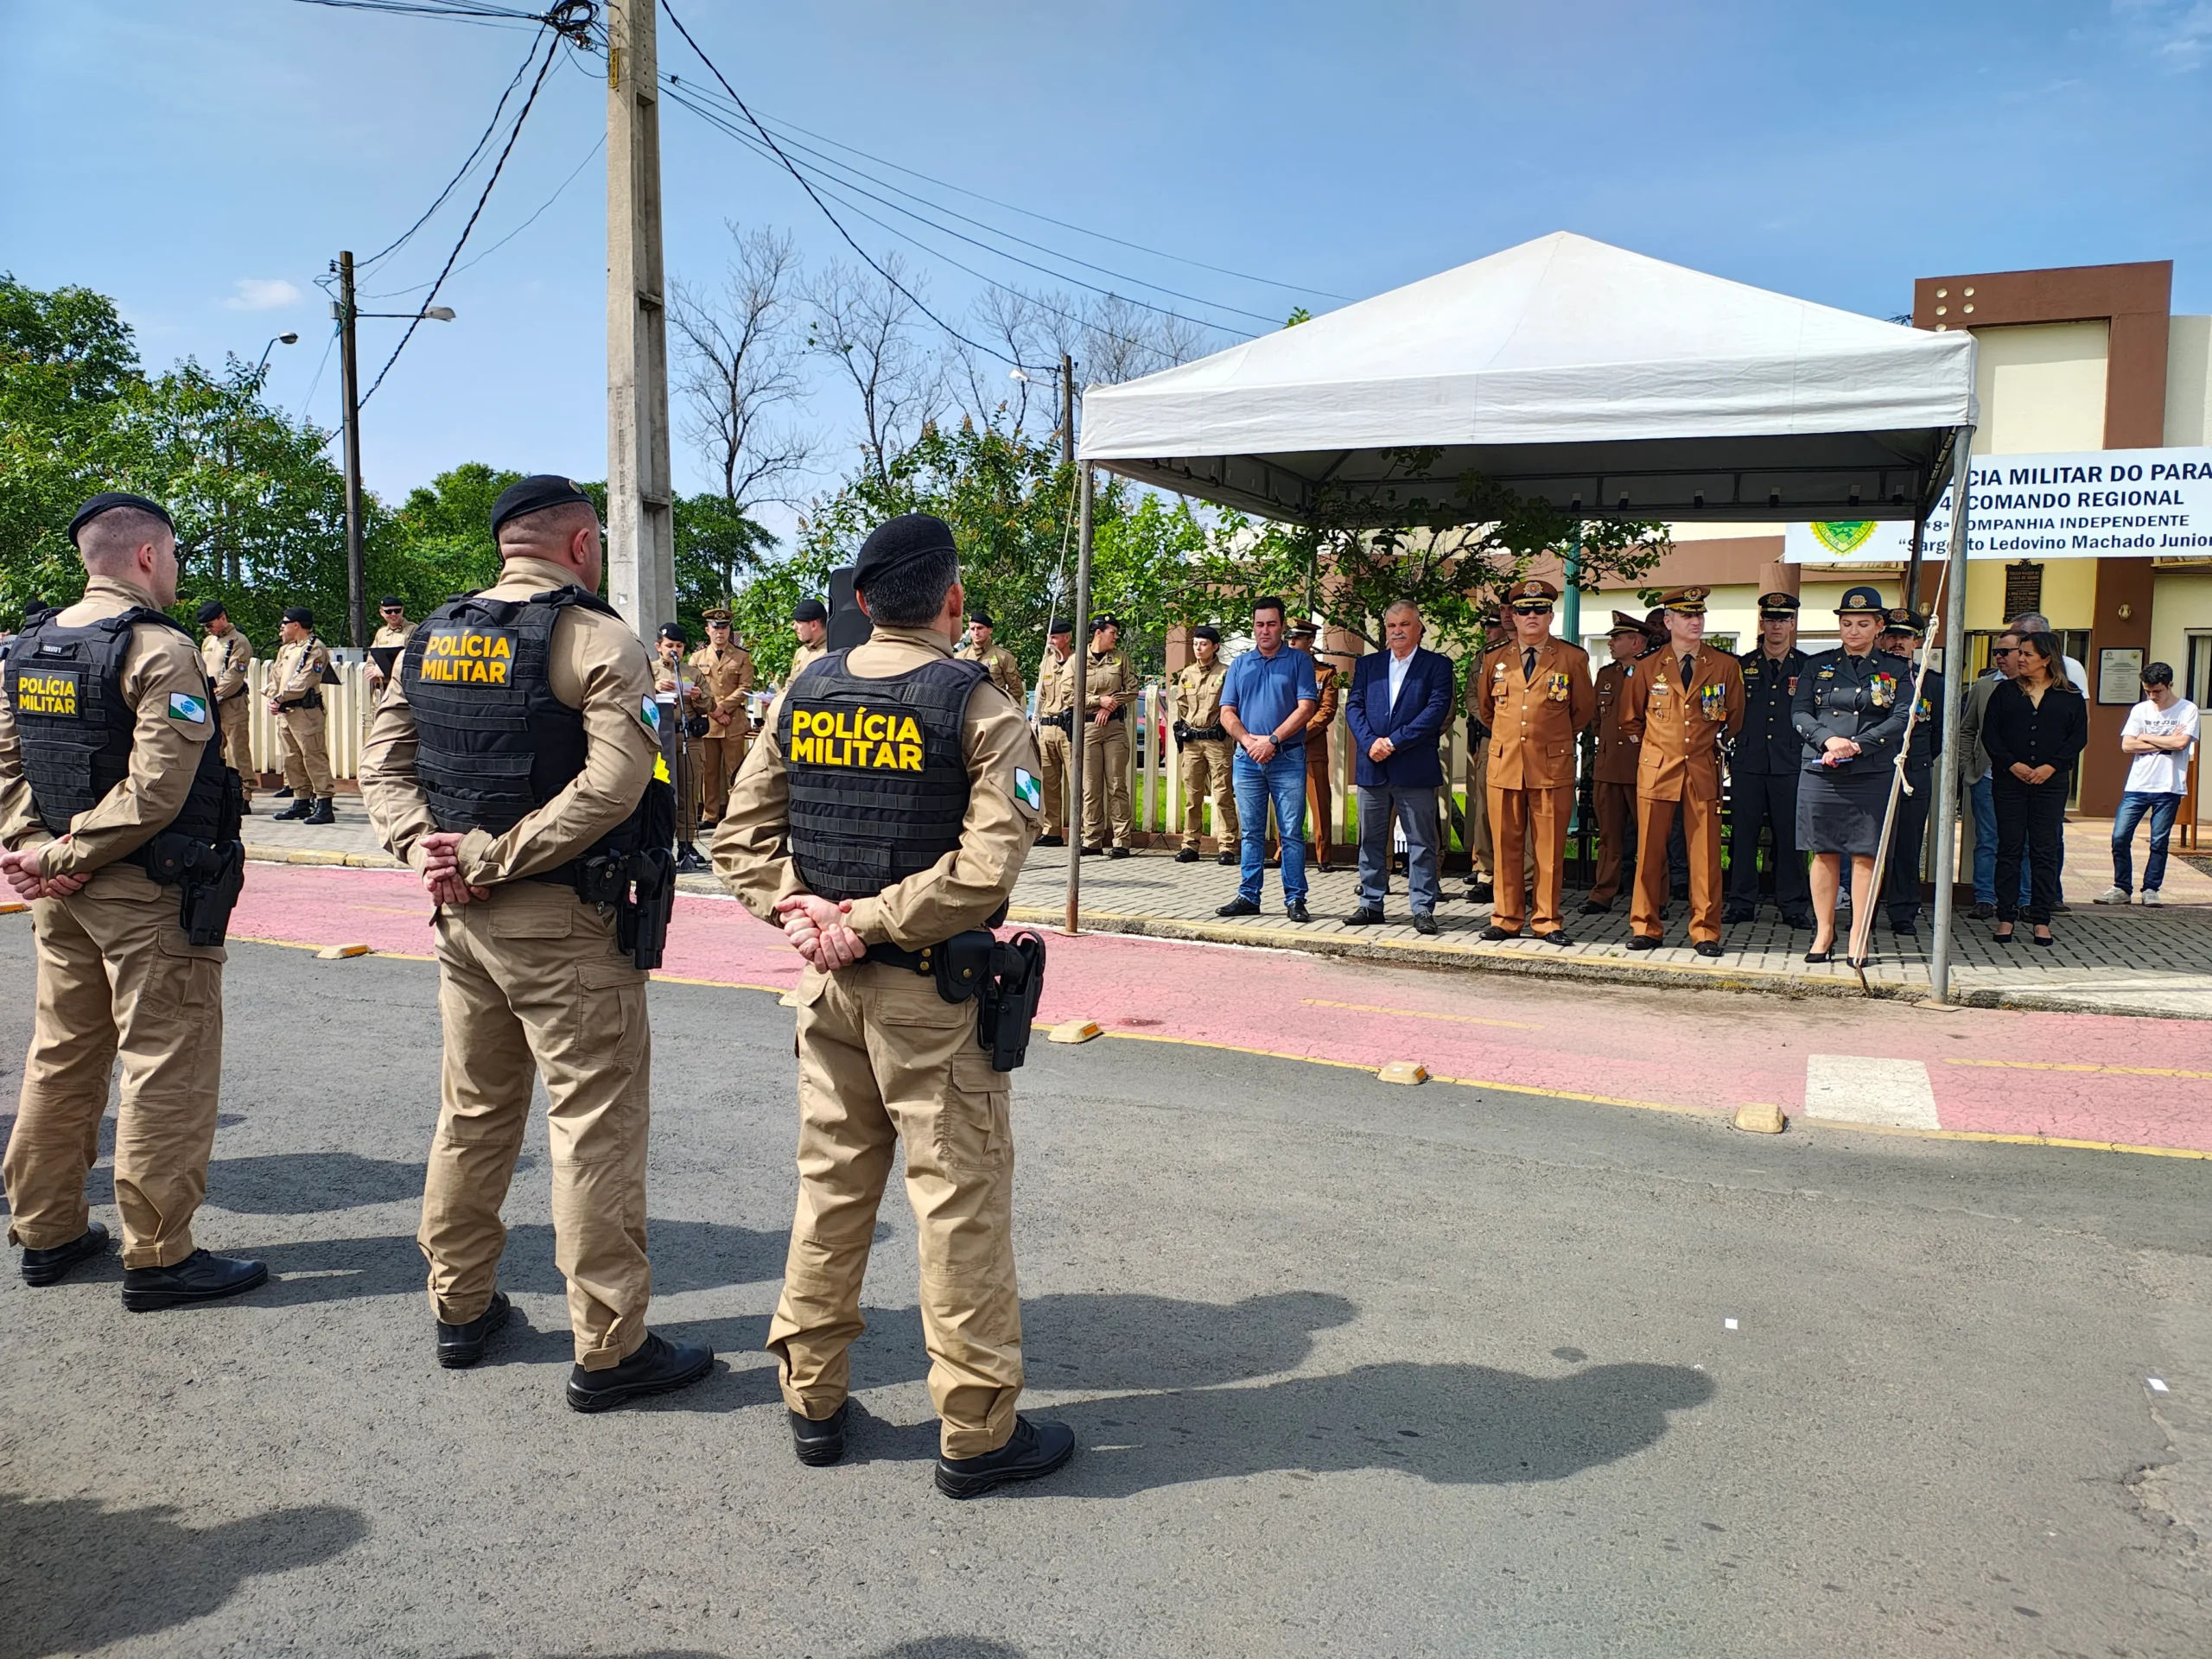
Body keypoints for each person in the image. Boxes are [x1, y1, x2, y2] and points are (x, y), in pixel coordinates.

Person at [714, 510, 1074, 1499]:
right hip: (927, 996)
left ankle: (813, 1400)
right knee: (956, 1208)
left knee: (830, 1191)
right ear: (952, 603)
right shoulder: (980, 705)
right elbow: (987, 865)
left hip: (824, 992)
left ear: (861, 603)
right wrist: (865, 922)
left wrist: (803, 915)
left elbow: (738, 839)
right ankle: (974, 1431)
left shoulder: (802, 688)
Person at [359, 474, 709, 1410]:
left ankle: (459, 1307)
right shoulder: (597, 639)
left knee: (472, 1114)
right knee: (590, 1126)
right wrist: (492, 856)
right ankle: (609, 1347)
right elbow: (613, 789)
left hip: (462, 920)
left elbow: (380, 766)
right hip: (561, 920)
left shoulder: (432, 635)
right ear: (584, 545)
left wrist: (429, 856)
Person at [1, 492, 264, 1310]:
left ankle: (46, 1231)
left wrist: (37, 850)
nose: (178, 570)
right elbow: (156, 789)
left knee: (64, 1054)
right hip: (146, 889)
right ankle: (158, 1255)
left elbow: (9, 763)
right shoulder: (158, 649)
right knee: (164, 1063)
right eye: (176, 555)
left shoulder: (29, 645)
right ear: (148, 556)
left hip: (63, 889)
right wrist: (67, 853)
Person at [1792, 585, 1911, 964]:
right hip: (1822, 769)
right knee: (1822, 851)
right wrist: (1828, 741)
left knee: (1865, 855)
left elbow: (1902, 716)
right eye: (1847, 623)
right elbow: (1800, 713)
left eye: (1863, 623)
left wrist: (1858, 745)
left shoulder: (1895, 669)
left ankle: (1858, 934)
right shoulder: (1817, 664)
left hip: (1870, 769)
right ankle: (1824, 931)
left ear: (1879, 627)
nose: (1854, 631)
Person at [1620, 588, 1743, 957]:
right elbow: (1630, 719)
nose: (1695, 622)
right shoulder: (1646, 667)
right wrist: (1660, 747)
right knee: (1650, 851)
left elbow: (1733, 718)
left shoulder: (1723, 666)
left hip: (1703, 767)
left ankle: (1706, 931)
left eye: (1699, 615)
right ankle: (1646, 926)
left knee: (1705, 855)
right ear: (1669, 622)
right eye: (1686, 616)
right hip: (1658, 769)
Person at [1473, 580, 1595, 944]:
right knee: (1506, 845)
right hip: (1506, 764)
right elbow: (1487, 710)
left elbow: (1582, 711)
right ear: (1513, 614)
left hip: (1550, 766)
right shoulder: (1495, 658)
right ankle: (1507, 917)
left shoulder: (1572, 658)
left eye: (1539, 610)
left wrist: (1547, 736)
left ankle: (1547, 920)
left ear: (1550, 615)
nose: (1531, 616)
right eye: (1524, 610)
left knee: (1549, 848)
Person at [1344, 600, 1453, 931]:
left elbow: (1435, 712)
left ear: (1419, 628)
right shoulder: (1369, 665)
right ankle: (1371, 903)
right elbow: (1354, 707)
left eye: (1405, 625)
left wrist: (1393, 742)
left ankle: (1422, 907)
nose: (1398, 632)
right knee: (1372, 840)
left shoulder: (1437, 666)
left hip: (1414, 767)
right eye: (1392, 626)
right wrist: (1370, 742)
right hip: (1373, 766)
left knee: (1422, 841)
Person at [1982, 630, 2088, 946]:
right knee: (2009, 847)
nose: (2020, 658)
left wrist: (2051, 766)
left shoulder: (2069, 695)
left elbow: (2077, 738)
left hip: (2050, 783)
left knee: (2044, 849)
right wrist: (2011, 763)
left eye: (2027, 654)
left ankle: (2041, 918)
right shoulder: (2005, 693)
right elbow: (1991, 734)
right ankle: (2006, 916)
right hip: (2010, 780)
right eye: (2020, 653)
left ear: (2046, 658)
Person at [1217, 597, 1319, 922]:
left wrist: (1273, 740)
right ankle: (1248, 895)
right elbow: (1226, 712)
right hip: (1247, 759)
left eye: (1271, 624)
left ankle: (1295, 899)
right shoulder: (1240, 665)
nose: (1265, 631)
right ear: (1253, 627)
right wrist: (1248, 741)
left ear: (1282, 625)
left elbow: (1307, 708)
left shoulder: (1299, 662)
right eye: (1260, 624)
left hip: (1287, 757)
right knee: (1250, 831)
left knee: (1290, 831)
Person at [1725, 592, 1812, 929]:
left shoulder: (1807, 667)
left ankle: (1792, 906)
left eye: (1783, 619)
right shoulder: (1741, 666)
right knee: (1742, 836)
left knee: (1791, 838)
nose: (1777, 625)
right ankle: (1741, 903)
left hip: (1790, 764)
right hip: (1748, 762)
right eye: (1771, 619)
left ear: (1792, 624)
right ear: (1761, 622)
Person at [2099, 661, 2198, 906]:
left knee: (2159, 841)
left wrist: (2144, 736)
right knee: (2120, 836)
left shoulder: (2187, 709)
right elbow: (2127, 745)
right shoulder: (2141, 710)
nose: (2153, 696)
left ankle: (2151, 888)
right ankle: (2122, 887)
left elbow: (2181, 744)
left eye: (2158, 691)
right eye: (2148, 691)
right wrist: (2164, 740)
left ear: (2170, 685)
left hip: (2169, 786)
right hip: (2138, 785)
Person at [1875, 610, 1944, 937]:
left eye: (1905, 637)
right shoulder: (1870, 675)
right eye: (1891, 635)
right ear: (1881, 638)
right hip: (1872, 769)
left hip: (1913, 772)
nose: (1897, 642)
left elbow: (1939, 736)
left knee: (1907, 844)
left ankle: (1903, 912)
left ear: (1917, 641)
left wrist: (1913, 762)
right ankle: (1866, 909)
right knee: (1869, 845)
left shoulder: (1932, 682)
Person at [1583, 613, 1650, 916]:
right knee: (1608, 836)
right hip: (1609, 767)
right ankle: (1602, 893)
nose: (1610, 643)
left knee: (1650, 837)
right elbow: (1596, 721)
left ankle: (1652, 898)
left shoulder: (1652, 672)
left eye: (1617, 638)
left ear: (1635, 642)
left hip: (1643, 767)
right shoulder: (1607, 675)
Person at [1956, 635, 2020, 918]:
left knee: (2024, 841)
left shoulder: (2043, 685)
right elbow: (1967, 728)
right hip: (1988, 776)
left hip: (2028, 780)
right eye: (1996, 652)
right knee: (1988, 839)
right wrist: (1965, 766)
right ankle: (1985, 897)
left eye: (2006, 652)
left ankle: (2024, 899)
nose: (1999, 657)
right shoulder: (1983, 687)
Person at [1170, 624, 1239, 865]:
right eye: (1196, 644)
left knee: (1222, 794)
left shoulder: (1226, 672)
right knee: (1192, 796)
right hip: (1193, 741)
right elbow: (1183, 706)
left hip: (1217, 741)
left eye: (1204, 644)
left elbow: (1232, 704)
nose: (1199, 648)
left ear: (1215, 646)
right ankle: (1190, 845)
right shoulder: (1187, 674)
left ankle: (1228, 846)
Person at [268, 606, 334, 824]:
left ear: (296, 624)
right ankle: (300, 800)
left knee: (313, 756)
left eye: (285, 623)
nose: (282, 627)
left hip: (306, 712)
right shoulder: (286, 649)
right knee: (291, 758)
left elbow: (305, 680)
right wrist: (272, 696)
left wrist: (280, 697)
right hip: (286, 711)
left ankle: (324, 803)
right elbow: (275, 676)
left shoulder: (315, 648)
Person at [689, 607, 754, 830]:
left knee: (735, 770)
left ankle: (736, 814)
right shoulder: (697, 658)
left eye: (724, 628)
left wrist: (724, 709)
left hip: (734, 722)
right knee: (709, 772)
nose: (720, 633)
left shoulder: (742, 656)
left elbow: (745, 687)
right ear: (707, 630)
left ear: (729, 630)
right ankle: (710, 815)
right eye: (716, 628)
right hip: (709, 722)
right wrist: (716, 712)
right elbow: (694, 688)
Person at [1460, 609, 1510, 903]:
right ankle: (1486, 874)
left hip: (1527, 745)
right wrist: (1495, 723)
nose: (1489, 630)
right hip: (1491, 740)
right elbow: (1472, 695)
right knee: (1485, 813)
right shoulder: (1486, 655)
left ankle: (1524, 880)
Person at [1080, 613, 1138, 858]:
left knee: (1116, 785)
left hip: (1113, 727)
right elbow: (1069, 695)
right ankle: (1091, 839)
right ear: (1098, 633)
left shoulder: (1120, 659)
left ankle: (1121, 841)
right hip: (1089, 729)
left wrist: (1109, 704)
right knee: (1090, 787)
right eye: (1112, 632)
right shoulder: (1078, 660)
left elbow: (1132, 689)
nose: (1116, 637)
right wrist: (1097, 701)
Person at [1286, 621, 1341, 868]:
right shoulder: (1281, 670)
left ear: (1310, 642)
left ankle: (1323, 856)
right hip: (1284, 747)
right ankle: (1282, 852)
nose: (1291, 643)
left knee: (1319, 801)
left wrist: (1296, 733)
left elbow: (1326, 711)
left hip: (1311, 745)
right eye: (1289, 639)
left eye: (1297, 639)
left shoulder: (1325, 673)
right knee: (1285, 802)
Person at [198, 600, 257, 814]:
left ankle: (244, 794)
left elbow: (234, 676)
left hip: (232, 704)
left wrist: (217, 695)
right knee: (214, 749)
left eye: (210, 624)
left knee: (237, 749)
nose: (208, 629)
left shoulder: (239, 642)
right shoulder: (208, 642)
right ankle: (219, 792)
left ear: (222, 618)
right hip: (211, 703)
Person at [1032, 617, 1077, 847]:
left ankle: (1081, 831)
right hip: (1047, 727)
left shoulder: (1078, 661)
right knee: (1048, 781)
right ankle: (1052, 830)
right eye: (1049, 637)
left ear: (1066, 638)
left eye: (1054, 637)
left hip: (1068, 726)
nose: (1050, 641)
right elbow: (1040, 695)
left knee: (1076, 781)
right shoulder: (1046, 662)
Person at [956, 611, 1026, 708]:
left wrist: (1001, 705)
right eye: (972, 629)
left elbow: (1016, 689)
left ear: (990, 630)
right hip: (968, 712)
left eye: (980, 628)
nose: (976, 632)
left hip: (995, 711)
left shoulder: (1003, 657)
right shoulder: (960, 657)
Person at [2008, 613, 2089, 695]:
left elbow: (2083, 703)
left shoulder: (2071, 666)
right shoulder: (2007, 687)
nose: (2021, 659)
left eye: (2015, 635)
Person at [365, 595, 412, 702]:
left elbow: (411, 660)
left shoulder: (412, 630)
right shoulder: (381, 633)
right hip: (382, 687)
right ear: (381, 612)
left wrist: (387, 671)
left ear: (402, 610)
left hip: (401, 687)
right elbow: (372, 656)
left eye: (397, 611)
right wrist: (370, 670)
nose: (393, 614)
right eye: (389, 611)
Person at [790, 597, 830, 675]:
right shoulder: (801, 652)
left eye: (798, 622)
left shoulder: (832, 652)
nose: (794, 627)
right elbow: (791, 683)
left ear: (814, 625)